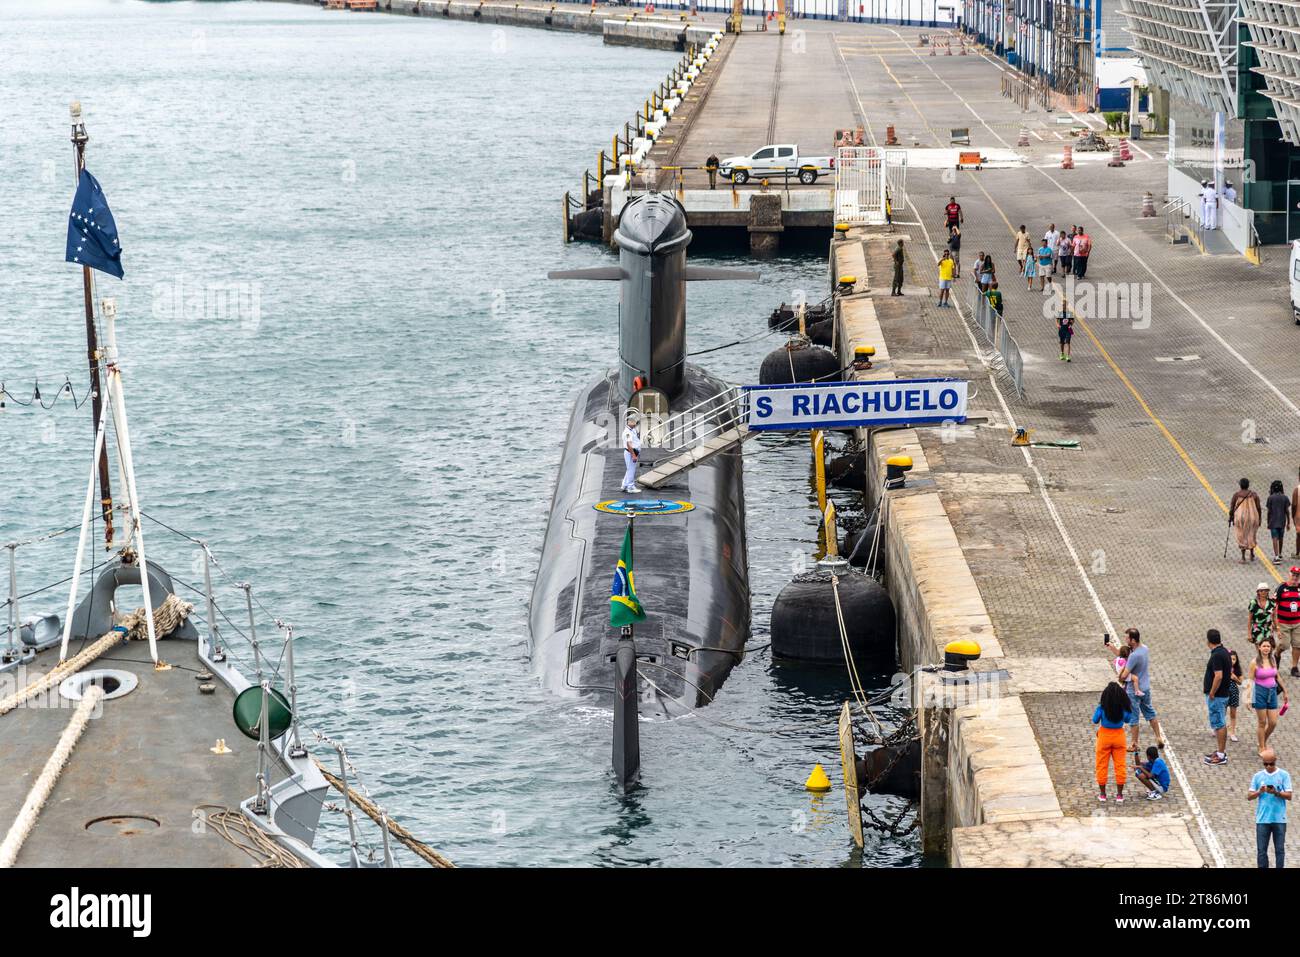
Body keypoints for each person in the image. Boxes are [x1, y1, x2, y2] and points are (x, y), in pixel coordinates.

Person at [1112, 627, 1166, 754]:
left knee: (1134, 718)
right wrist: (1113, 649)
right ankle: (1158, 736)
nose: (1125, 640)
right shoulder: (1145, 649)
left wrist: (1120, 674)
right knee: (1150, 712)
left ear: (1133, 640)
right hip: (1145, 687)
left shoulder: (1134, 656)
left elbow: (1125, 675)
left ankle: (1135, 744)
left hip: (1133, 690)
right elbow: (1124, 652)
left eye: (1127, 638)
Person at [1092, 682, 1135, 802]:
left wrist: (1099, 707)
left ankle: (1103, 794)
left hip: (1104, 736)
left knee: (1101, 765)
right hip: (1119, 736)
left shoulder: (1102, 707)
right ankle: (1120, 795)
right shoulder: (1123, 708)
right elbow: (1128, 719)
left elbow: (1095, 720)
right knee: (1120, 765)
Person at [1249, 748, 1291, 868]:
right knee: (1261, 851)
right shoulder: (1257, 776)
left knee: (1280, 850)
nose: (1268, 766)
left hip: (1279, 819)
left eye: (1271, 764)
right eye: (1265, 764)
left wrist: (1276, 792)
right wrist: (1259, 792)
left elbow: (1289, 795)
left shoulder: (1284, 775)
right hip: (1262, 819)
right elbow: (1249, 796)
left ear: (1275, 761)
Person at [1249, 637, 1288, 752]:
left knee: (1273, 722)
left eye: (1268, 646)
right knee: (1262, 722)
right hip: (1260, 692)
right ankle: (1261, 747)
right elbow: (1250, 680)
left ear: (1271, 648)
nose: (1266, 648)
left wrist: (1285, 691)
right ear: (1259, 648)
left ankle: (1262, 741)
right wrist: (1247, 698)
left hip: (1272, 692)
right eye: (1264, 646)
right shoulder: (1254, 662)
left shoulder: (1273, 659)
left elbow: (1277, 676)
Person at [1205, 628, 1233, 765]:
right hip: (1223, 694)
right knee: (1220, 722)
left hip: (1217, 696)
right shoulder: (1225, 652)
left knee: (1219, 724)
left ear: (1208, 641)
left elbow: (1219, 676)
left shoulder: (1216, 655)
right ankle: (1220, 751)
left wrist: (1212, 691)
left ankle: (1221, 755)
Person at [1229, 478, 1262, 563]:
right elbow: (1258, 507)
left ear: (1240, 485)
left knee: (1242, 535)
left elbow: (1232, 507)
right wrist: (1260, 518)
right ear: (1248, 485)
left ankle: (1243, 557)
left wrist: (1231, 517)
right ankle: (1251, 554)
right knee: (1251, 534)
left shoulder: (1236, 495)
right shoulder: (1254, 495)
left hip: (1240, 518)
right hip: (1253, 517)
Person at [1275, 566, 1300, 676]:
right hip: (1283, 623)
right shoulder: (1281, 588)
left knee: (1297, 645)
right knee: (1284, 645)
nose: (1295, 577)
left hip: (1297, 622)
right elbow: (1274, 605)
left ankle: (1294, 668)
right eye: (1293, 574)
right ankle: (1277, 654)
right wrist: (1275, 624)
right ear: (1289, 575)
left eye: (1297, 575)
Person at [1268, 479, 1292, 562]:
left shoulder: (1270, 498)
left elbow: (1269, 511)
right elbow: (1287, 511)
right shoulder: (1285, 497)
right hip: (1282, 521)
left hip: (1273, 521)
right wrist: (1288, 522)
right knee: (1281, 538)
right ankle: (1280, 553)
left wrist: (1268, 521)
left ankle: (1276, 556)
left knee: (1274, 538)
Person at [1250, 582, 1277, 648]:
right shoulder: (1254, 603)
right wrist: (1249, 633)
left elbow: (1274, 617)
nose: (1263, 592)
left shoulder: (1272, 602)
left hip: (1268, 629)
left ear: (1268, 591)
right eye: (1261, 590)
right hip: (1257, 628)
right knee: (1259, 649)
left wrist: (1277, 629)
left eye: (1265, 590)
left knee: (1269, 648)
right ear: (1258, 592)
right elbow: (1250, 619)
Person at [621, 409, 642, 494]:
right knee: (631, 470)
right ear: (629, 422)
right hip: (630, 453)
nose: (635, 423)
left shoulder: (631, 430)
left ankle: (624, 485)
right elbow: (629, 445)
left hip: (633, 452)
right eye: (634, 422)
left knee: (629, 469)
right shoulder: (627, 432)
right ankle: (630, 487)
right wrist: (633, 455)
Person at [1228, 647, 1244, 743]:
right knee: (1222, 711)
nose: (1232, 661)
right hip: (1224, 692)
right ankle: (1218, 728)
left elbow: (1241, 682)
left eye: (1234, 659)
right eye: (1230, 659)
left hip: (1234, 692)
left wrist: (1235, 678)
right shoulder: (1223, 668)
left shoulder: (1237, 670)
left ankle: (1232, 732)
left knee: (1233, 713)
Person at [1291, 467, 1300, 557]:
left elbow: (1294, 505)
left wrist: (1292, 516)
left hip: (1298, 516)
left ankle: (1298, 553)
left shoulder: (1297, 490)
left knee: (1299, 535)